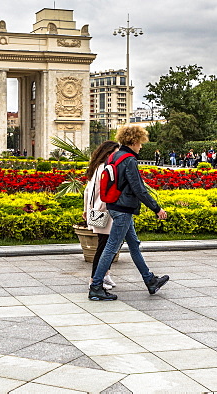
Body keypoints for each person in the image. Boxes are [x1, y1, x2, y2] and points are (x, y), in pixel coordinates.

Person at [89, 124, 169, 301]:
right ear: (133, 141)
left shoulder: (114, 156)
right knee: (111, 248)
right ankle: (95, 286)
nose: (141, 146)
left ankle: (150, 280)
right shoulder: (129, 159)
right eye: (140, 142)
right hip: (123, 209)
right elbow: (139, 189)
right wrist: (157, 208)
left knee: (134, 245)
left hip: (115, 206)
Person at [84, 140, 120, 290]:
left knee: (107, 245)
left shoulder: (97, 168)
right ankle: (95, 279)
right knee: (104, 247)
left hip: (97, 210)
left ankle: (105, 274)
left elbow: (88, 191)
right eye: (116, 152)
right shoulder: (105, 169)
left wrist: (86, 209)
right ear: (108, 153)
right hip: (103, 210)